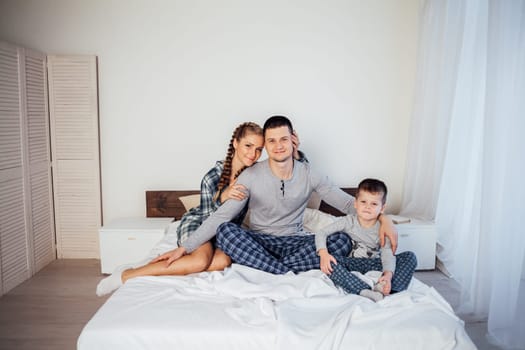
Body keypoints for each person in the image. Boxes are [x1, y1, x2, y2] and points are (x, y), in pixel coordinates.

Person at [160, 115, 398, 275]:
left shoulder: (309, 174)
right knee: (226, 232)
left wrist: (384, 219)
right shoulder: (251, 176)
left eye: (283, 139)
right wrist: (185, 247)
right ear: (267, 145)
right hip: (260, 241)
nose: (278, 146)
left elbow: (349, 204)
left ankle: (274, 270)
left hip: (296, 241)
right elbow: (221, 217)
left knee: (342, 240)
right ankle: (287, 273)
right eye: (271, 141)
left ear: (292, 139)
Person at [97, 121, 273, 296]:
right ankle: (127, 274)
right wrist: (223, 197)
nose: (253, 154)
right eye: (248, 146)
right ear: (235, 143)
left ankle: (160, 266)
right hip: (199, 225)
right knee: (199, 262)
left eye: (259, 149)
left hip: (224, 232)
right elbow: (207, 220)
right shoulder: (212, 177)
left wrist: (296, 154)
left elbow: (281, 171)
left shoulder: (253, 174)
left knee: (222, 262)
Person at [316, 178, 417, 301]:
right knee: (330, 263)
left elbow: (387, 255)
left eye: (374, 204)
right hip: (352, 262)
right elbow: (321, 233)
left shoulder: (383, 228)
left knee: (409, 256)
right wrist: (323, 253)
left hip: (375, 263)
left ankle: (389, 288)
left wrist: (388, 275)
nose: (367, 207)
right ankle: (364, 290)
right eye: (363, 202)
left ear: (382, 208)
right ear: (356, 203)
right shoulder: (348, 221)